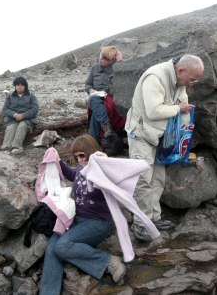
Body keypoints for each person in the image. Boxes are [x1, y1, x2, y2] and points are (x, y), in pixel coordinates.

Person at [125, 54, 204, 241]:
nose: (192, 83)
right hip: (141, 134)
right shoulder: (155, 77)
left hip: (160, 136)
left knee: (158, 178)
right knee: (143, 179)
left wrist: (182, 137)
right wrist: (178, 110)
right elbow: (153, 111)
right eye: (192, 79)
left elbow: (184, 106)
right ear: (181, 70)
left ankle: (154, 217)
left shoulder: (180, 82)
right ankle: (140, 223)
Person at [40, 134, 126, 295]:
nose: (79, 160)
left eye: (82, 155)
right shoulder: (81, 167)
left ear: (91, 152)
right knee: (53, 247)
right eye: (76, 156)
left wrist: (106, 162)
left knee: (62, 246)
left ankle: (108, 261)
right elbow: (74, 175)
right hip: (77, 218)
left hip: (98, 223)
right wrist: (57, 160)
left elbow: (115, 179)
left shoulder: (101, 170)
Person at [85, 46, 126, 153]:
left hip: (110, 98)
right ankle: (106, 128)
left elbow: (123, 82)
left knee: (96, 114)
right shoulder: (94, 68)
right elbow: (88, 84)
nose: (101, 59)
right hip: (96, 97)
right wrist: (90, 90)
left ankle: (93, 142)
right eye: (101, 56)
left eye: (105, 58)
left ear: (112, 61)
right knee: (94, 99)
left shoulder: (116, 68)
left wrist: (120, 63)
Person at [1, 77, 39, 154]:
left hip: (27, 119)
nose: (19, 86)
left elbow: (35, 109)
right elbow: (5, 109)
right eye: (17, 85)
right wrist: (14, 115)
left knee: (22, 126)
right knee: (11, 127)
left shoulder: (31, 95)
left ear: (25, 86)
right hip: (13, 119)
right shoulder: (10, 95)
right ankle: (6, 148)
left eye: (22, 85)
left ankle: (17, 147)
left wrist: (23, 115)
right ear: (15, 86)